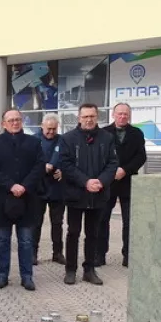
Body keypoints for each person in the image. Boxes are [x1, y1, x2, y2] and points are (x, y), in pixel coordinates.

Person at [0, 109, 45, 291]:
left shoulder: (34, 142)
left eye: (18, 119)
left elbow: (39, 166)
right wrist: (11, 185)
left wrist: (24, 186)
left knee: (26, 240)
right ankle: (2, 275)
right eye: (11, 120)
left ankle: (27, 276)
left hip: (27, 198)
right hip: (3, 198)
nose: (15, 123)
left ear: (22, 121)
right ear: (4, 124)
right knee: (2, 240)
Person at [58, 103, 118, 286]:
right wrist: (85, 182)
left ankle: (89, 270)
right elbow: (66, 165)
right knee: (73, 233)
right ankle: (70, 270)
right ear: (79, 118)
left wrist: (101, 181)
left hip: (98, 194)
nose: (89, 120)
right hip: (76, 194)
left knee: (93, 234)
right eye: (85, 117)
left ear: (97, 116)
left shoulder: (107, 138)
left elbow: (113, 163)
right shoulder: (68, 139)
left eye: (92, 116)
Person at [99, 102, 147, 267]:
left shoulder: (137, 133)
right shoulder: (104, 133)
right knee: (102, 219)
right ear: (113, 115)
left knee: (130, 221)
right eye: (119, 113)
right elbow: (99, 157)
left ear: (129, 115)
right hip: (108, 183)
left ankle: (128, 255)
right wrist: (112, 172)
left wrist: (125, 170)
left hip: (128, 183)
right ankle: (99, 254)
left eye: (125, 114)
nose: (122, 116)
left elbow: (141, 157)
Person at [33, 114, 66, 265]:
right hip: (39, 188)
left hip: (57, 187)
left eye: (54, 129)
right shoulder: (33, 140)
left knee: (57, 223)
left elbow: (68, 159)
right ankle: (33, 253)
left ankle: (57, 253)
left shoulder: (62, 140)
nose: (51, 132)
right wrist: (42, 167)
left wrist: (63, 170)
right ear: (42, 126)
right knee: (36, 222)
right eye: (48, 129)